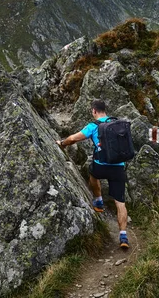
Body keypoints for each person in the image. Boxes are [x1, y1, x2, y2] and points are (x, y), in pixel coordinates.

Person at [56, 99, 129, 249]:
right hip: (118, 167)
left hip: (101, 166)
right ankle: (123, 236)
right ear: (105, 110)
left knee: (93, 175)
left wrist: (62, 143)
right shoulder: (117, 123)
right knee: (120, 202)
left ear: (94, 111)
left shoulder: (94, 126)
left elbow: (73, 139)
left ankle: (98, 201)